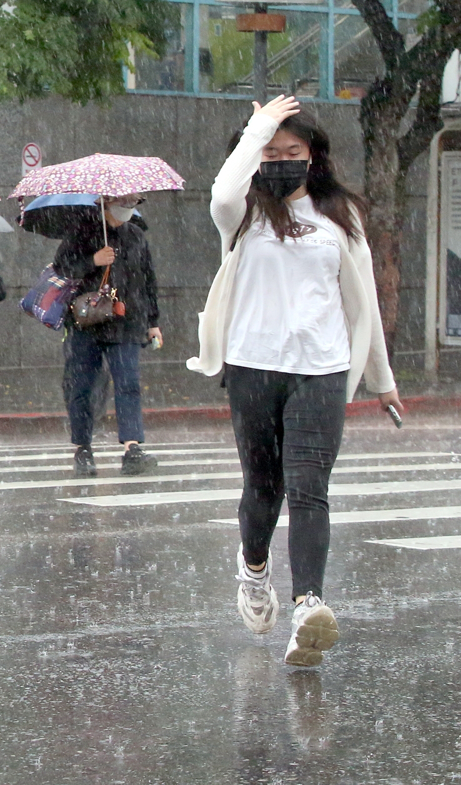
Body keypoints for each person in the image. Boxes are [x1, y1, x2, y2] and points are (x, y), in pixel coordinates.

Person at [187, 95, 403, 667]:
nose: (281, 160)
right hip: (252, 365)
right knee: (264, 488)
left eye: (293, 151)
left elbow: (364, 304)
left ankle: (308, 605)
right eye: (270, 152)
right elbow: (221, 193)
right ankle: (253, 569)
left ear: (313, 157)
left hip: (322, 369)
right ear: (255, 156)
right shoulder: (243, 214)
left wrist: (381, 378)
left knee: (309, 487)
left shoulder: (340, 216)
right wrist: (257, 130)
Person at [53, 195, 162, 478]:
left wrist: (153, 321)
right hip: (86, 323)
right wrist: (93, 260)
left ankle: (132, 446)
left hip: (126, 321)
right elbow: (62, 268)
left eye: (132, 201)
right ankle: (83, 447)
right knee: (82, 386)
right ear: (104, 201)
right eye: (120, 201)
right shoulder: (82, 231)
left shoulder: (136, 235)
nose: (126, 206)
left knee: (128, 382)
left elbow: (148, 280)